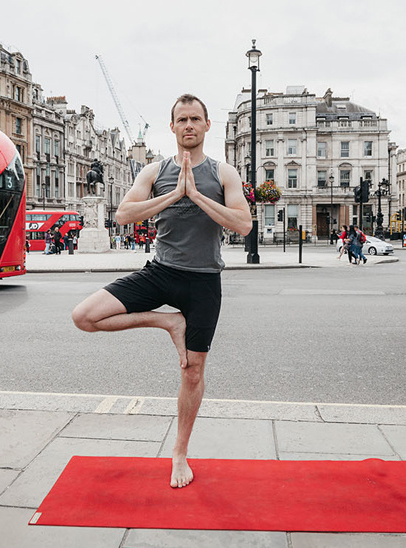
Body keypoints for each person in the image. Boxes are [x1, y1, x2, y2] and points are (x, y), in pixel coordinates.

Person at [72, 94, 252, 489]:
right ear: (172, 127)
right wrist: (173, 194)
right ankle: (167, 322)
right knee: (84, 316)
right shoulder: (154, 171)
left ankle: (179, 453)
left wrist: (197, 195)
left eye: (195, 119)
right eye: (181, 119)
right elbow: (122, 214)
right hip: (161, 273)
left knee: (192, 371)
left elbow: (243, 225)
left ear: (206, 126)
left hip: (204, 280)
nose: (189, 125)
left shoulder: (224, 173)